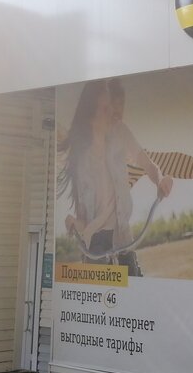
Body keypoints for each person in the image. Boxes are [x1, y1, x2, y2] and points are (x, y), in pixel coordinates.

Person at [58, 80, 173, 275]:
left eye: (111, 106)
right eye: (105, 109)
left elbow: (146, 162)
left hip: (122, 236)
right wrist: (74, 224)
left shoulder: (120, 131)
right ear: (90, 116)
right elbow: (84, 219)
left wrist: (160, 180)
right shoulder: (81, 159)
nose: (112, 112)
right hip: (95, 244)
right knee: (100, 292)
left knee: (134, 287)